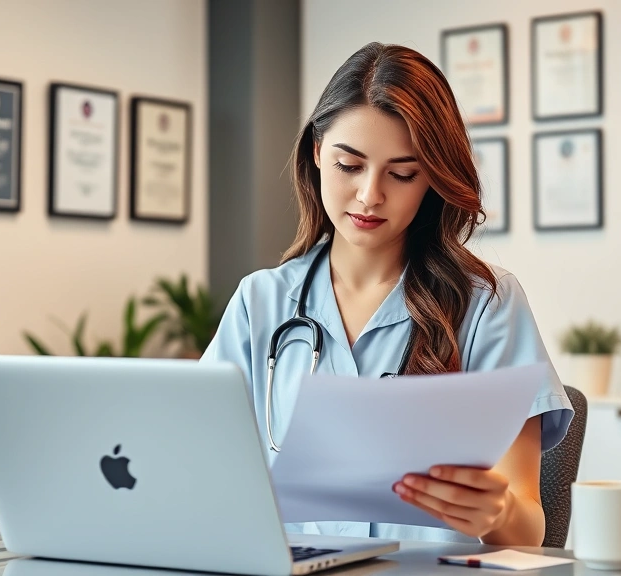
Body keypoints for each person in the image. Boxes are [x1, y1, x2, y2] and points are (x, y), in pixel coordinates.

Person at [199, 42, 574, 546]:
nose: (370, 195)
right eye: (349, 165)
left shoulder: (488, 306)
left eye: (402, 174)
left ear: (433, 179)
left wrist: (500, 511)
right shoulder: (259, 303)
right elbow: (201, 473)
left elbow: (530, 528)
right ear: (316, 152)